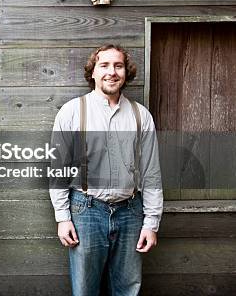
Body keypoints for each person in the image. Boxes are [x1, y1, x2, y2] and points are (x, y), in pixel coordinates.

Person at [50, 45, 163, 296]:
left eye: (118, 66)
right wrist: (62, 217)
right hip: (85, 211)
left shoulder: (140, 116)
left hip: (131, 212)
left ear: (126, 72)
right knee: (85, 290)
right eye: (104, 65)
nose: (111, 72)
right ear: (93, 72)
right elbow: (58, 170)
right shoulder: (72, 112)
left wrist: (151, 223)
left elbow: (151, 172)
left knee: (127, 289)